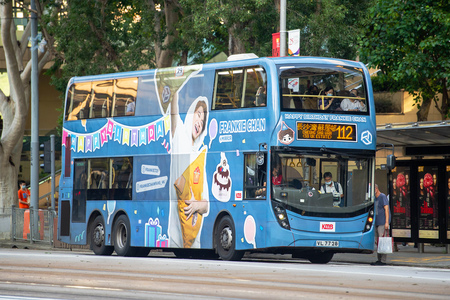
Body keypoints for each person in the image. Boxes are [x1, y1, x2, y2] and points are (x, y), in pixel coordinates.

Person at [168, 91, 210, 248]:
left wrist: (195, 205)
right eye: (198, 115)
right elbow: (174, 108)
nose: (199, 121)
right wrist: (175, 87)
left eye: (203, 120)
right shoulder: (178, 133)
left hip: (194, 241)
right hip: (176, 237)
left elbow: (206, 204)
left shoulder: (200, 156)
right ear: (191, 114)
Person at [372, 184, 390, 266]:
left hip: (382, 222)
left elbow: (386, 209)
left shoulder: (382, 196)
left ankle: (383, 260)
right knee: (378, 241)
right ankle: (379, 259)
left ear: (376, 188)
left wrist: (386, 222)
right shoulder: (374, 198)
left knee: (382, 241)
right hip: (376, 222)